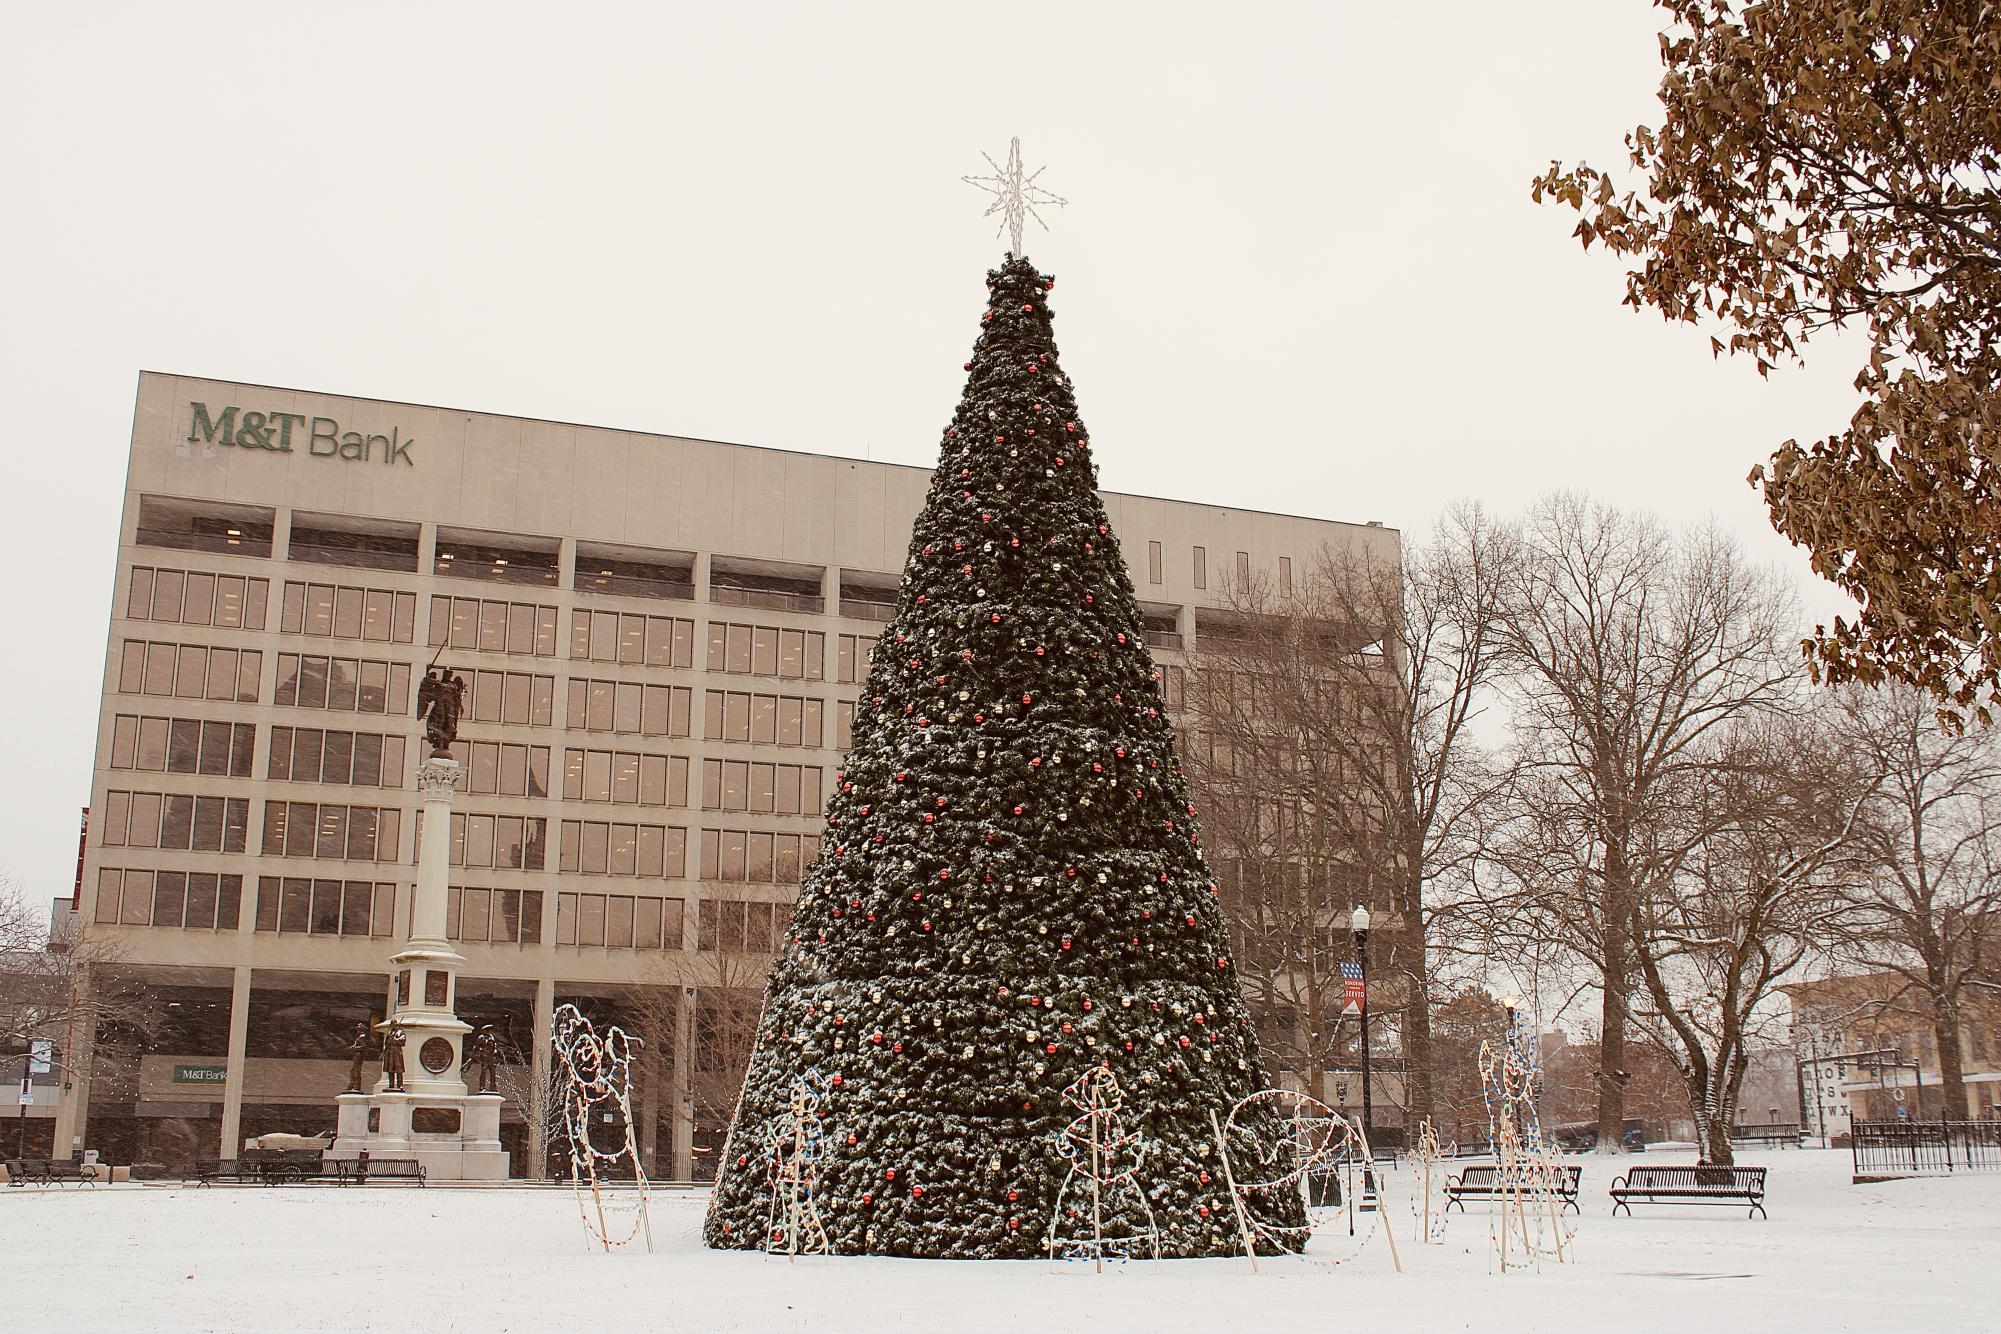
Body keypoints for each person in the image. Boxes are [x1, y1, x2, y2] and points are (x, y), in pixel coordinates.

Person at [382, 1022, 408, 1093]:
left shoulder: (400, 1032)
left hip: (397, 1052)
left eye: (395, 1024)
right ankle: (391, 1085)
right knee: (390, 1069)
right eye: (392, 1025)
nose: (394, 1026)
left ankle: (400, 1085)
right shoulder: (390, 1033)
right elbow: (386, 1043)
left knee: (399, 1069)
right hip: (390, 1052)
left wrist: (395, 1040)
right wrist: (384, 1051)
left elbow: (403, 1041)